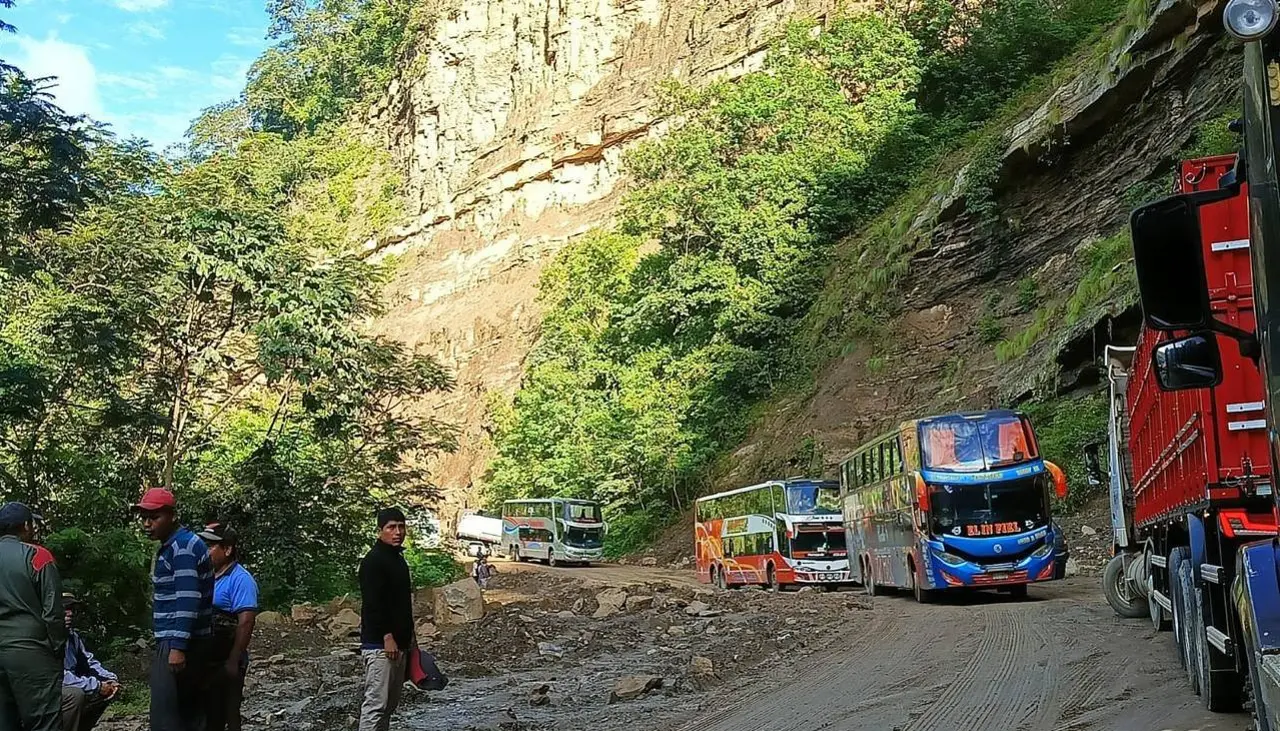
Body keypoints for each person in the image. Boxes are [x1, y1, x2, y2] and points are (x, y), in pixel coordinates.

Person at [133, 488, 214, 731]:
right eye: (144, 518)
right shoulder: (179, 544)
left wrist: (177, 647)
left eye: (155, 517)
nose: (148, 524)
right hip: (186, 639)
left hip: (178, 641)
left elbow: (188, 598)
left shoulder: (182, 548)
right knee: (189, 712)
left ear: (172, 516)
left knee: (166, 716)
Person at [0, 501, 65, 731]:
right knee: (44, 722)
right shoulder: (38, 556)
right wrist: (58, 649)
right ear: (26, 525)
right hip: (31, 651)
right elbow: (53, 613)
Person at [358, 507, 415, 731]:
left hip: (399, 644)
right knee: (376, 706)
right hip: (380, 645)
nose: (397, 532)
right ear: (380, 530)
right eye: (391, 527)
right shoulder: (373, 562)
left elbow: (401, 605)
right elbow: (373, 604)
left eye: (401, 527)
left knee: (389, 707)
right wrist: (387, 636)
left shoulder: (397, 560)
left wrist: (410, 642)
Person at [197, 523, 258, 731]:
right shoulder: (205, 577)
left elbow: (246, 621)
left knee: (229, 713)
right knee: (207, 714)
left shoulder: (241, 579)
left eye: (210, 546)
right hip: (206, 658)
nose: (205, 551)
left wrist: (234, 660)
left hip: (227, 658)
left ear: (228, 549)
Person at [61, 593, 120, 731]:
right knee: (76, 695)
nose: (69, 614)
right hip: (49, 687)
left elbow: (89, 661)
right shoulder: (45, 638)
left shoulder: (72, 637)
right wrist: (97, 685)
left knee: (107, 692)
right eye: (65, 609)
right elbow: (58, 676)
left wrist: (109, 678)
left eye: (71, 609)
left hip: (72, 682)